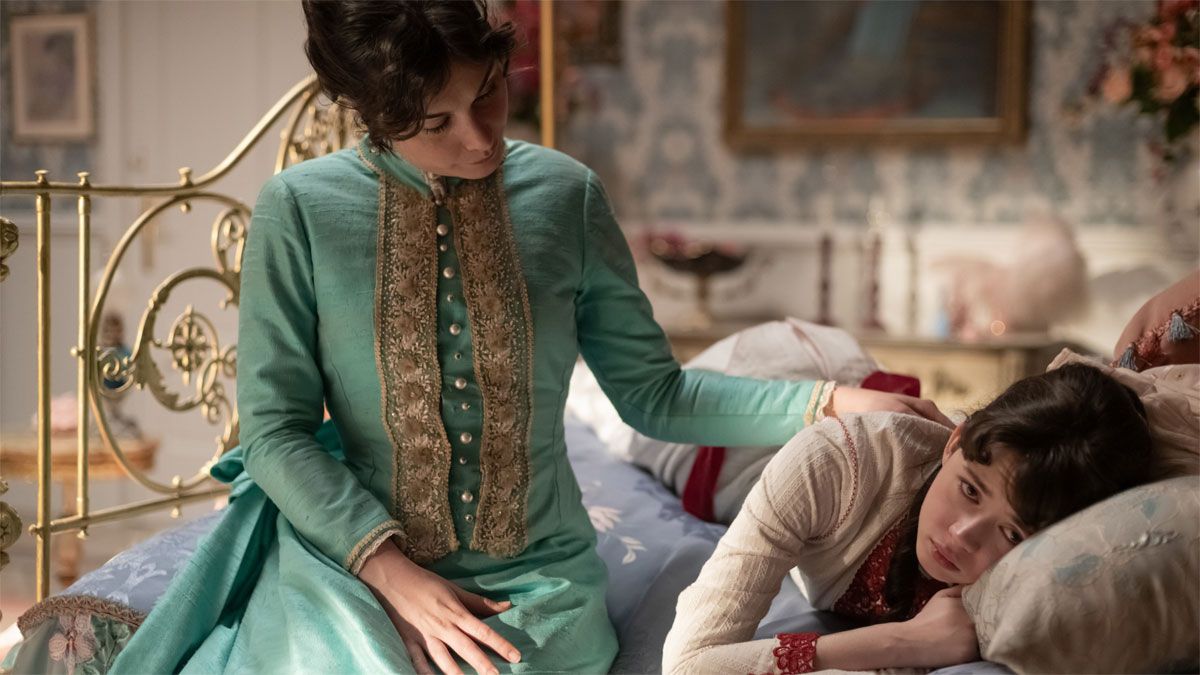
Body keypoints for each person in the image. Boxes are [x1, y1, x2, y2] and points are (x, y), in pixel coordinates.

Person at [101, 2, 948, 674]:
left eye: (487, 93)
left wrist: (831, 401)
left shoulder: (567, 195)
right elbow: (276, 432)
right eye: (435, 121)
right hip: (355, 564)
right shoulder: (298, 210)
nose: (479, 139)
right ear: (371, 113)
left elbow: (655, 394)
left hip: (540, 582)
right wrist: (396, 577)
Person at [662, 363, 1155, 674]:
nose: (962, 535)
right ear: (955, 442)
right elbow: (689, 666)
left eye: (1011, 532)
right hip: (749, 436)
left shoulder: (1048, 575)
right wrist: (905, 641)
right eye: (969, 490)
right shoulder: (833, 466)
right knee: (649, 425)